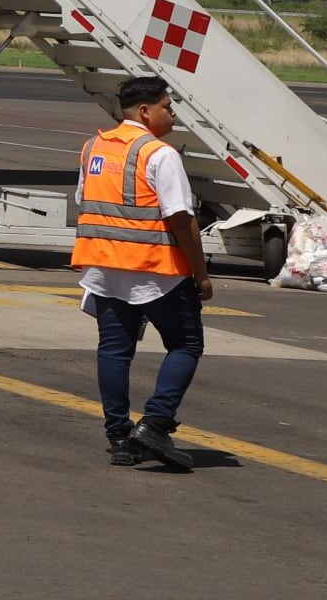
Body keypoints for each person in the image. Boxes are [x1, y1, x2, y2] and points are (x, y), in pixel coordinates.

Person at [74, 74, 210, 471]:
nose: (173, 114)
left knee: (115, 351)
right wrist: (200, 274)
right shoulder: (160, 154)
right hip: (155, 272)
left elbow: (85, 200)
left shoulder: (92, 147)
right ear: (147, 112)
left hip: (105, 270)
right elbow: (182, 220)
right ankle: (155, 422)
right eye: (169, 107)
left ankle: (120, 438)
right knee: (186, 345)